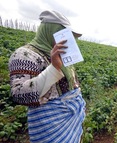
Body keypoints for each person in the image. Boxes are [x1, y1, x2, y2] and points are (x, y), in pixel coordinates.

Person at [8, 10, 86, 143]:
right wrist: (53, 68)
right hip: (49, 125)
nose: (67, 40)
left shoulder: (63, 55)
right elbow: (18, 93)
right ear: (51, 31)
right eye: (63, 34)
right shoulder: (24, 55)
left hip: (70, 118)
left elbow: (72, 83)